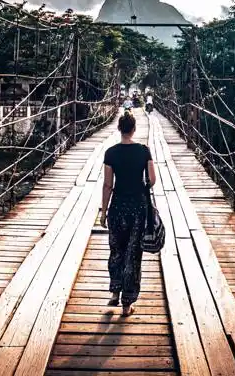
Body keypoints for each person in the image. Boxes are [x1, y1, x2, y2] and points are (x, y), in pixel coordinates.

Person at [100, 112, 156, 316]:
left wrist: (103, 211)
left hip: (117, 207)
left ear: (119, 128)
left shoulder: (111, 153)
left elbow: (108, 185)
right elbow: (152, 179)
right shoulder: (144, 151)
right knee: (133, 254)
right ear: (134, 129)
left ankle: (115, 293)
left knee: (116, 249)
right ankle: (127, 305)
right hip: (138, 208)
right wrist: (140, 184)